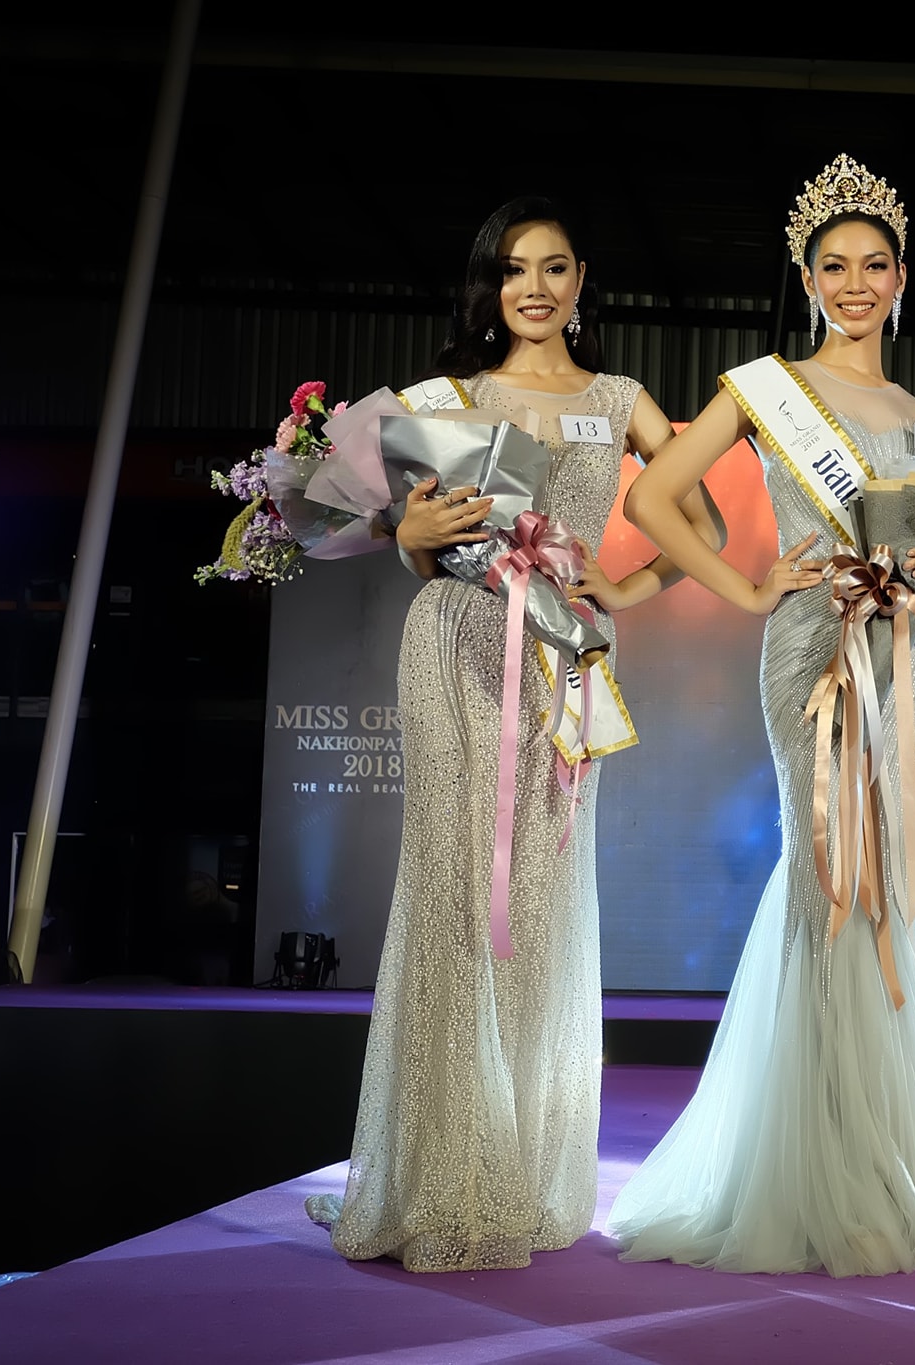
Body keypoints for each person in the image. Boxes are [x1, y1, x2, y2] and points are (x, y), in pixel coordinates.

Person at [605, 154, 915, 1277]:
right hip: (813, 654)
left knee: (901, 891)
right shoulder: (765, 388)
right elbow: (653, 494)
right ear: (805, 279)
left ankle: (886, 1162)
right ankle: (824, 1171)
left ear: (903, 279)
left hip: (912, 660)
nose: (854, 283)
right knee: (833, 876)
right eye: (833, 266)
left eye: (873, 265)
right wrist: (750, 586)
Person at [305, 197, 721, 1272]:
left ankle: (519, 1166)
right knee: (455, 892)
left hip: (561, 656)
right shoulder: (444, 398)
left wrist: (624, 586)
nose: (533, 287)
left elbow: (705, 521)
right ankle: (440, 1174)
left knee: (537, 895)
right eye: (512, 268)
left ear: (582, 283)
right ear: (489, 286)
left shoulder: (621, 402)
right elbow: (365, 523)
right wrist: (405, 529)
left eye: (554, 267)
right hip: (454, 644)